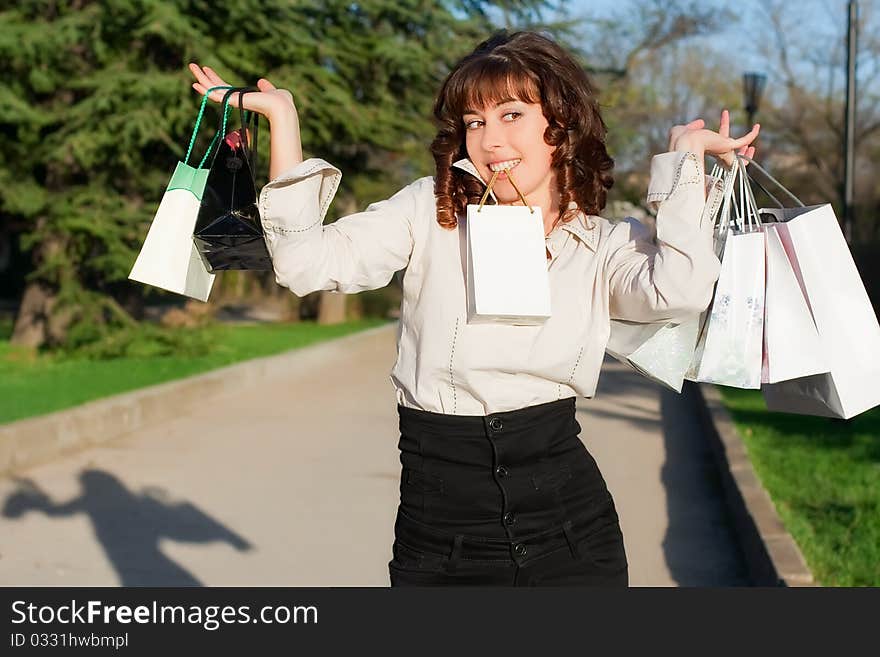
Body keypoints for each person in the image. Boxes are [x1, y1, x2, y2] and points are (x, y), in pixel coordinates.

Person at [188, 30, 759, 587]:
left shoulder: (602, 243)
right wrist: (283, 122)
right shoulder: (428, 212)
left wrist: (684, 164)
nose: (489, 141)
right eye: (474, 122)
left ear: (559, 127)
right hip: (440, 535)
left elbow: (680, 291)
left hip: (570, 533)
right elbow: (305, 263)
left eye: (511, 115)